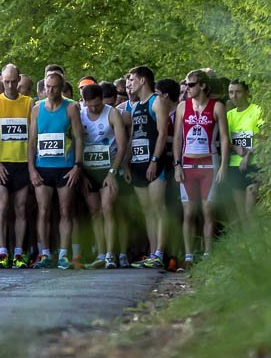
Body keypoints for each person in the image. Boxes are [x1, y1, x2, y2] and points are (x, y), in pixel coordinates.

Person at [173, 69, 230, 267]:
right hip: (187, 163)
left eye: (190, 85)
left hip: (208, 162)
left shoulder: (217, 107)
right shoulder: (182, 107)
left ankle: (208, 255)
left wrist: (223, 165)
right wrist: (177, 164)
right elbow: (178, 138)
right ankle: (189, 256)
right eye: (187, 85)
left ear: (203, 86)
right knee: (188, 212)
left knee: (208, 210)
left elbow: (224, 137)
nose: (187, 89)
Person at [28, 70, 83, 269]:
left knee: (65, 210)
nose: (50, 90)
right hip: (42, 168)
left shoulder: (71, 108)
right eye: (47, 87)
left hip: (65, 168)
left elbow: (79, 138)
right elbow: (32, 141)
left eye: (54, 87)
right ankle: (44, 254)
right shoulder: (37, 108)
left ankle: (63, 254)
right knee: (43, 211)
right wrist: (31, 169)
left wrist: (78, 165)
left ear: (62, 88)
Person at [0, 63, 32, 268]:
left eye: (14, 81)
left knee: (21, 208)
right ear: (1, 81)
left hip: (22, 161)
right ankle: (2, 251)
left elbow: (33, 136)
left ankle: (19, 252)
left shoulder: (29, 102)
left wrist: (31, 164)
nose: (11, 85)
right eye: (7, 82)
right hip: (2, 162)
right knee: (2, 206)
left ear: (19, 79)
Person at [125, 65, 171, 269]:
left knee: (158, 208)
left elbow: (162, 133)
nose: (129, 83)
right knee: (147, 211)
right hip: (137, 163)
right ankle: (153, 253)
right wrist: (126, 162)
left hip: (154, 163)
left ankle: (160, 252)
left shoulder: (156, 101)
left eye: (132, 79)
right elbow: (132, 136)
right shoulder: (135, 106)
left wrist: (154, 160)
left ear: (143, 80)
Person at [79, 82, 127, 269]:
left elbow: (122, 145)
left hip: (109, 168)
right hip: (89, 170)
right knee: (95, 212)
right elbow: (75, 143)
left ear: (102, 100)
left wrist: (113, 172)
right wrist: (81, 172)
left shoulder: (111, 113)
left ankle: (110, 254)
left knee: (107, 208)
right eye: (90, 105)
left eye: (97, 105)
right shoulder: (80, 113)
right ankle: (100, 252)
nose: (93, 108)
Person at [225, 79, 264, 224]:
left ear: (246, 92)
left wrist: (248, 155)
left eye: (238, 92)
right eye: (231, 92)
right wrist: (235, 147)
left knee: (250, 212)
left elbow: (263, 138)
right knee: (241, 216)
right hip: (235, 168)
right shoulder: (229, 116)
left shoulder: (256, 110)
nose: (234, 96)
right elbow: (224, 141)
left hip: (254, 165)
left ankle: (257, 244)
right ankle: (247, 245)